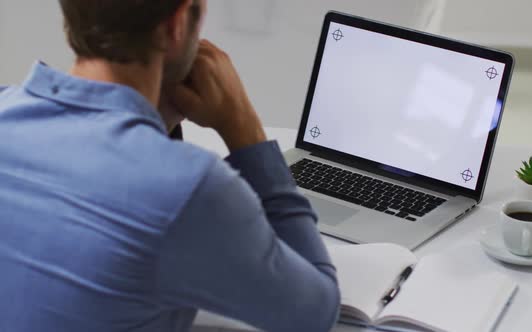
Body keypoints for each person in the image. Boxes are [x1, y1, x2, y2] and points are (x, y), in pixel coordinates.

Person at [0, 1, 340, 331]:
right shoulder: (190, 186)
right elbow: (315, 312)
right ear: (177, 25)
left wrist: (155, 120)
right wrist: (243, 126)